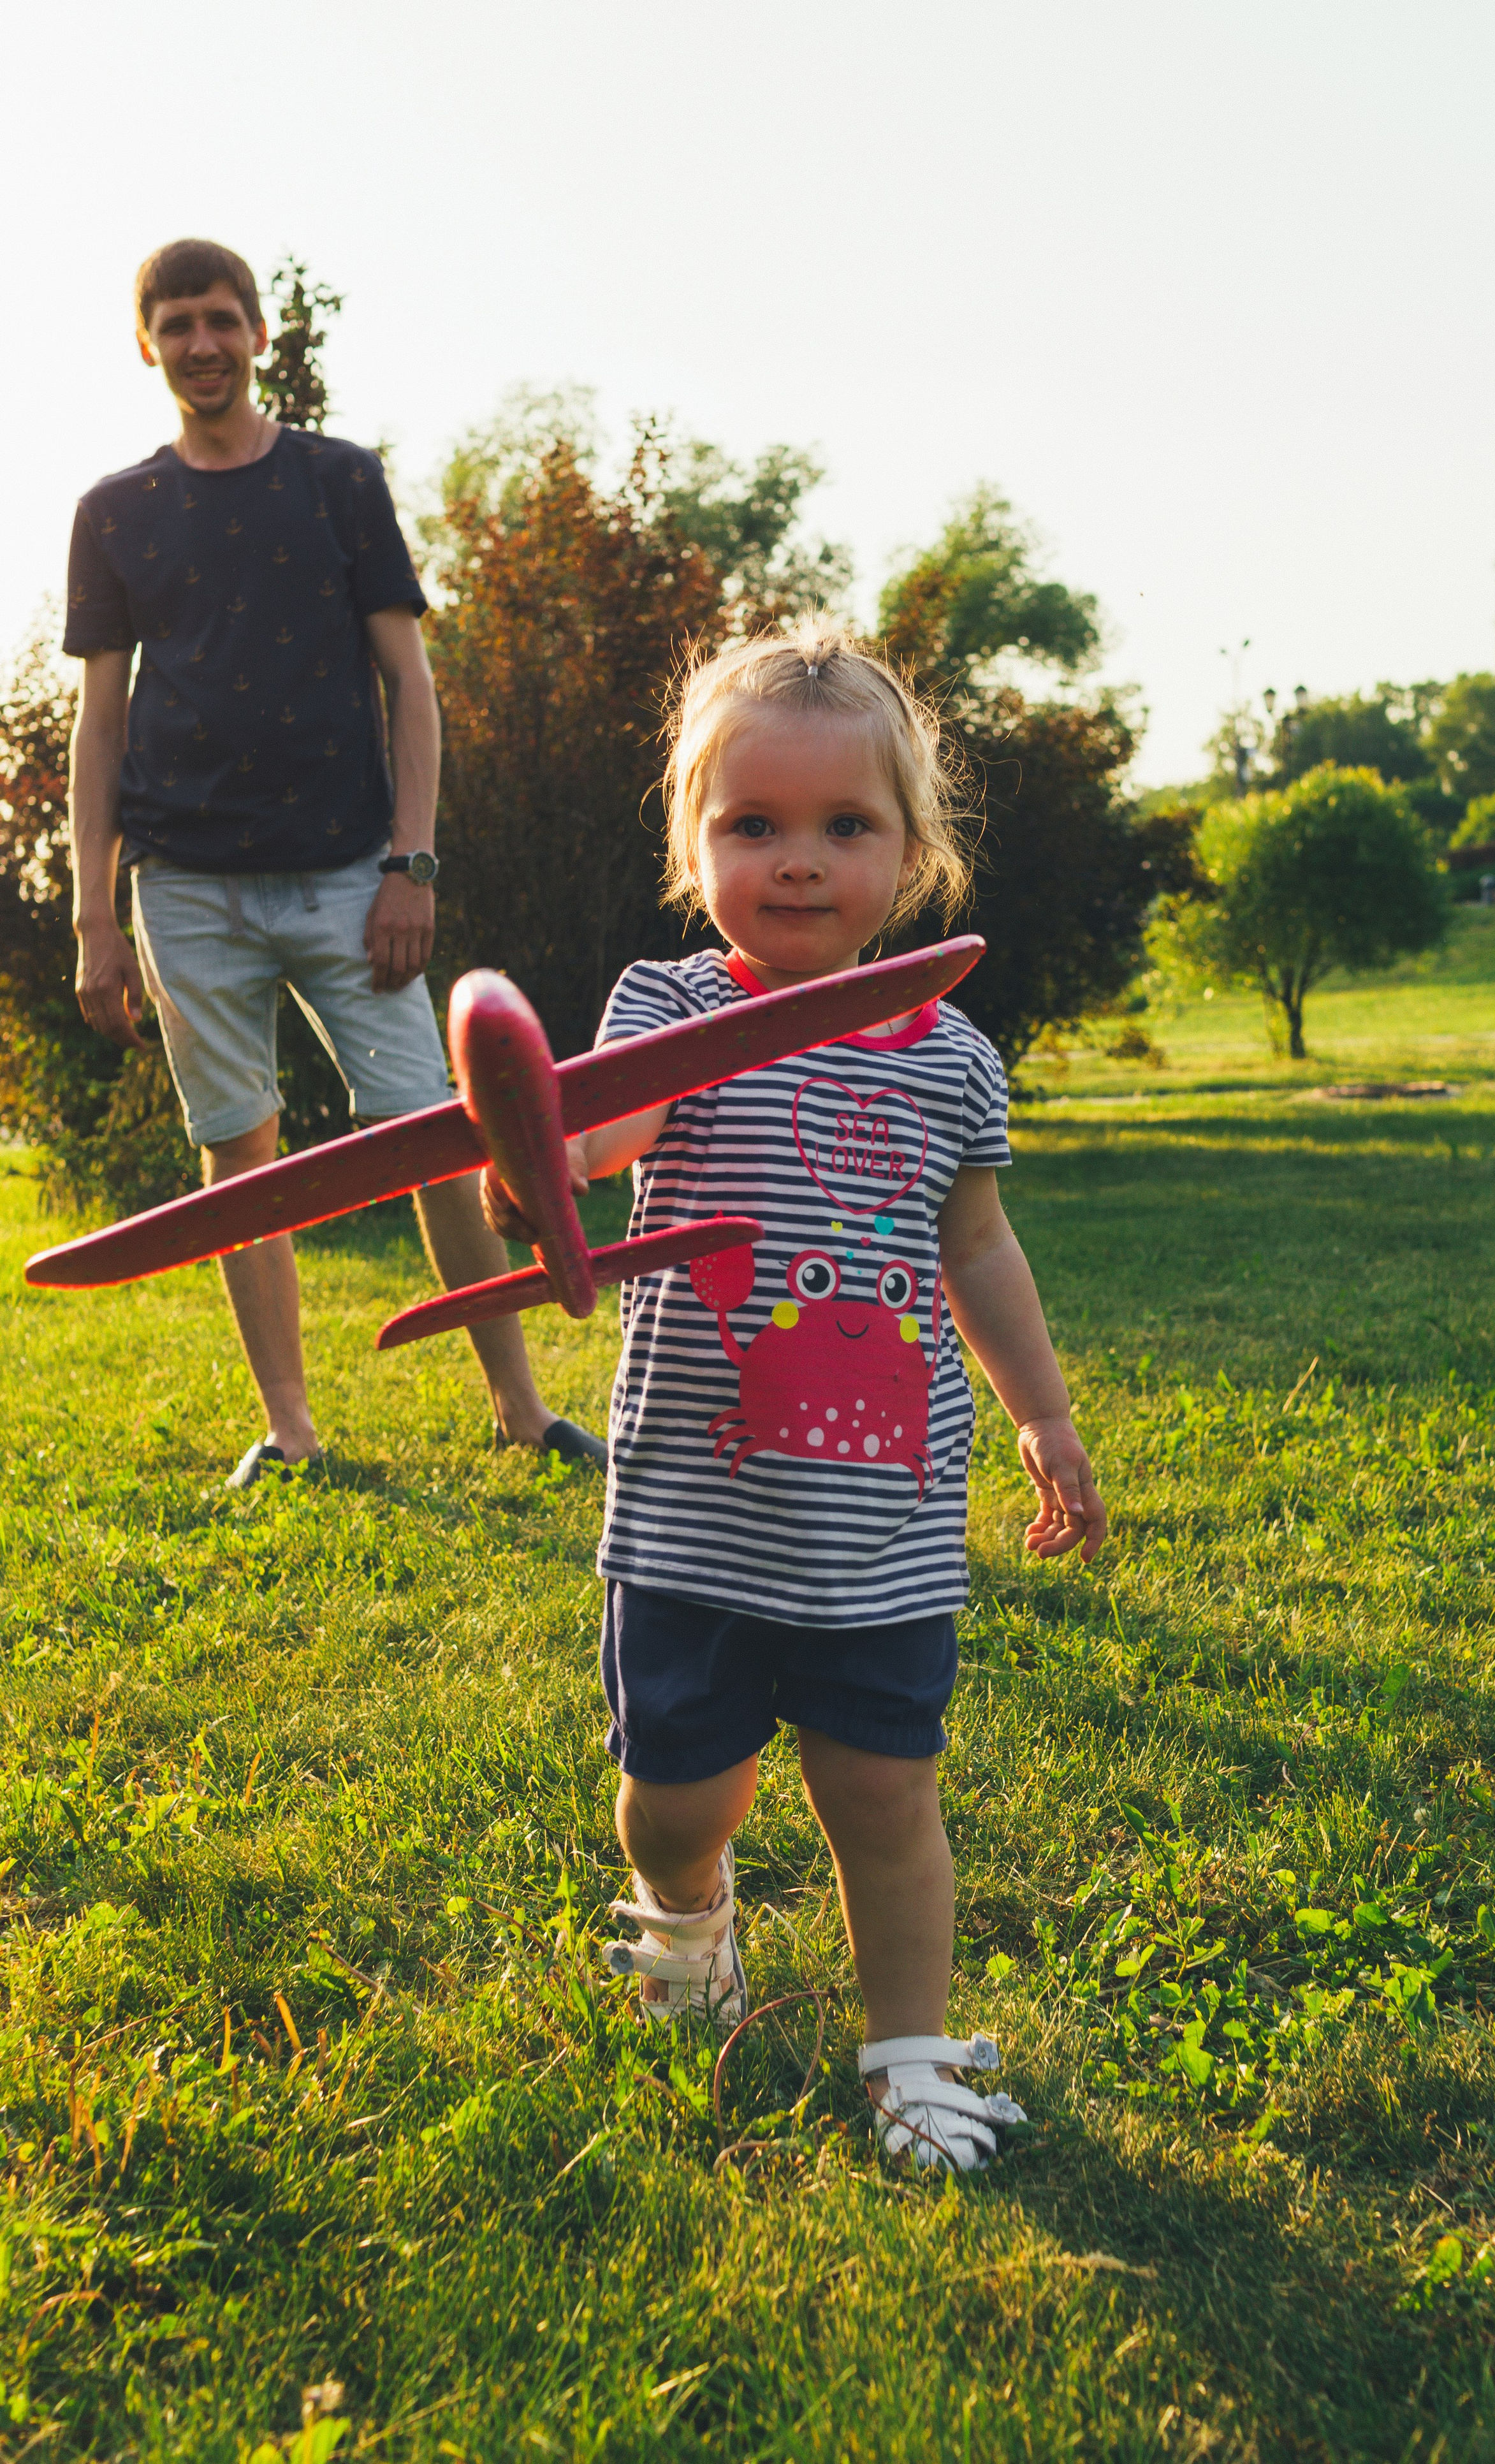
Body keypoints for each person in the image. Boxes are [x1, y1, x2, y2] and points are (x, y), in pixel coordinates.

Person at [484, 623, 1109, 2170]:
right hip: (699, 1515)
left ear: (910, 852)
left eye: (846, 825)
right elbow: (605, 1136)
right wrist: (543, 1165)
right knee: (671, 1803)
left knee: (887, 1797)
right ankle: (689, 1914)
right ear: (696, 847)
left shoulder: (955, 1056)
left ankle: (906, 2054)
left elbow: (979, 1243)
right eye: (750, 823)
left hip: (880, 1525)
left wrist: (1040, 1414)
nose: (799, 860)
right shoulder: (666, 1005)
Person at [64, 237, 605, 1486]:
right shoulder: (114, 512)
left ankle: (521, 1411)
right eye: (176, 325)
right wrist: (97, 919)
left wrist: (412, 863)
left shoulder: (338, 482)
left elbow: (407, 685)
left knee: (431, 1128)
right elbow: (102, 724)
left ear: (258, 334)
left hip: (349, 878)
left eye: (220, 319)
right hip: (183, 885)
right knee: (237, 1150)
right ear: (146, 345)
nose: (201, 344)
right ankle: (292, 1432)